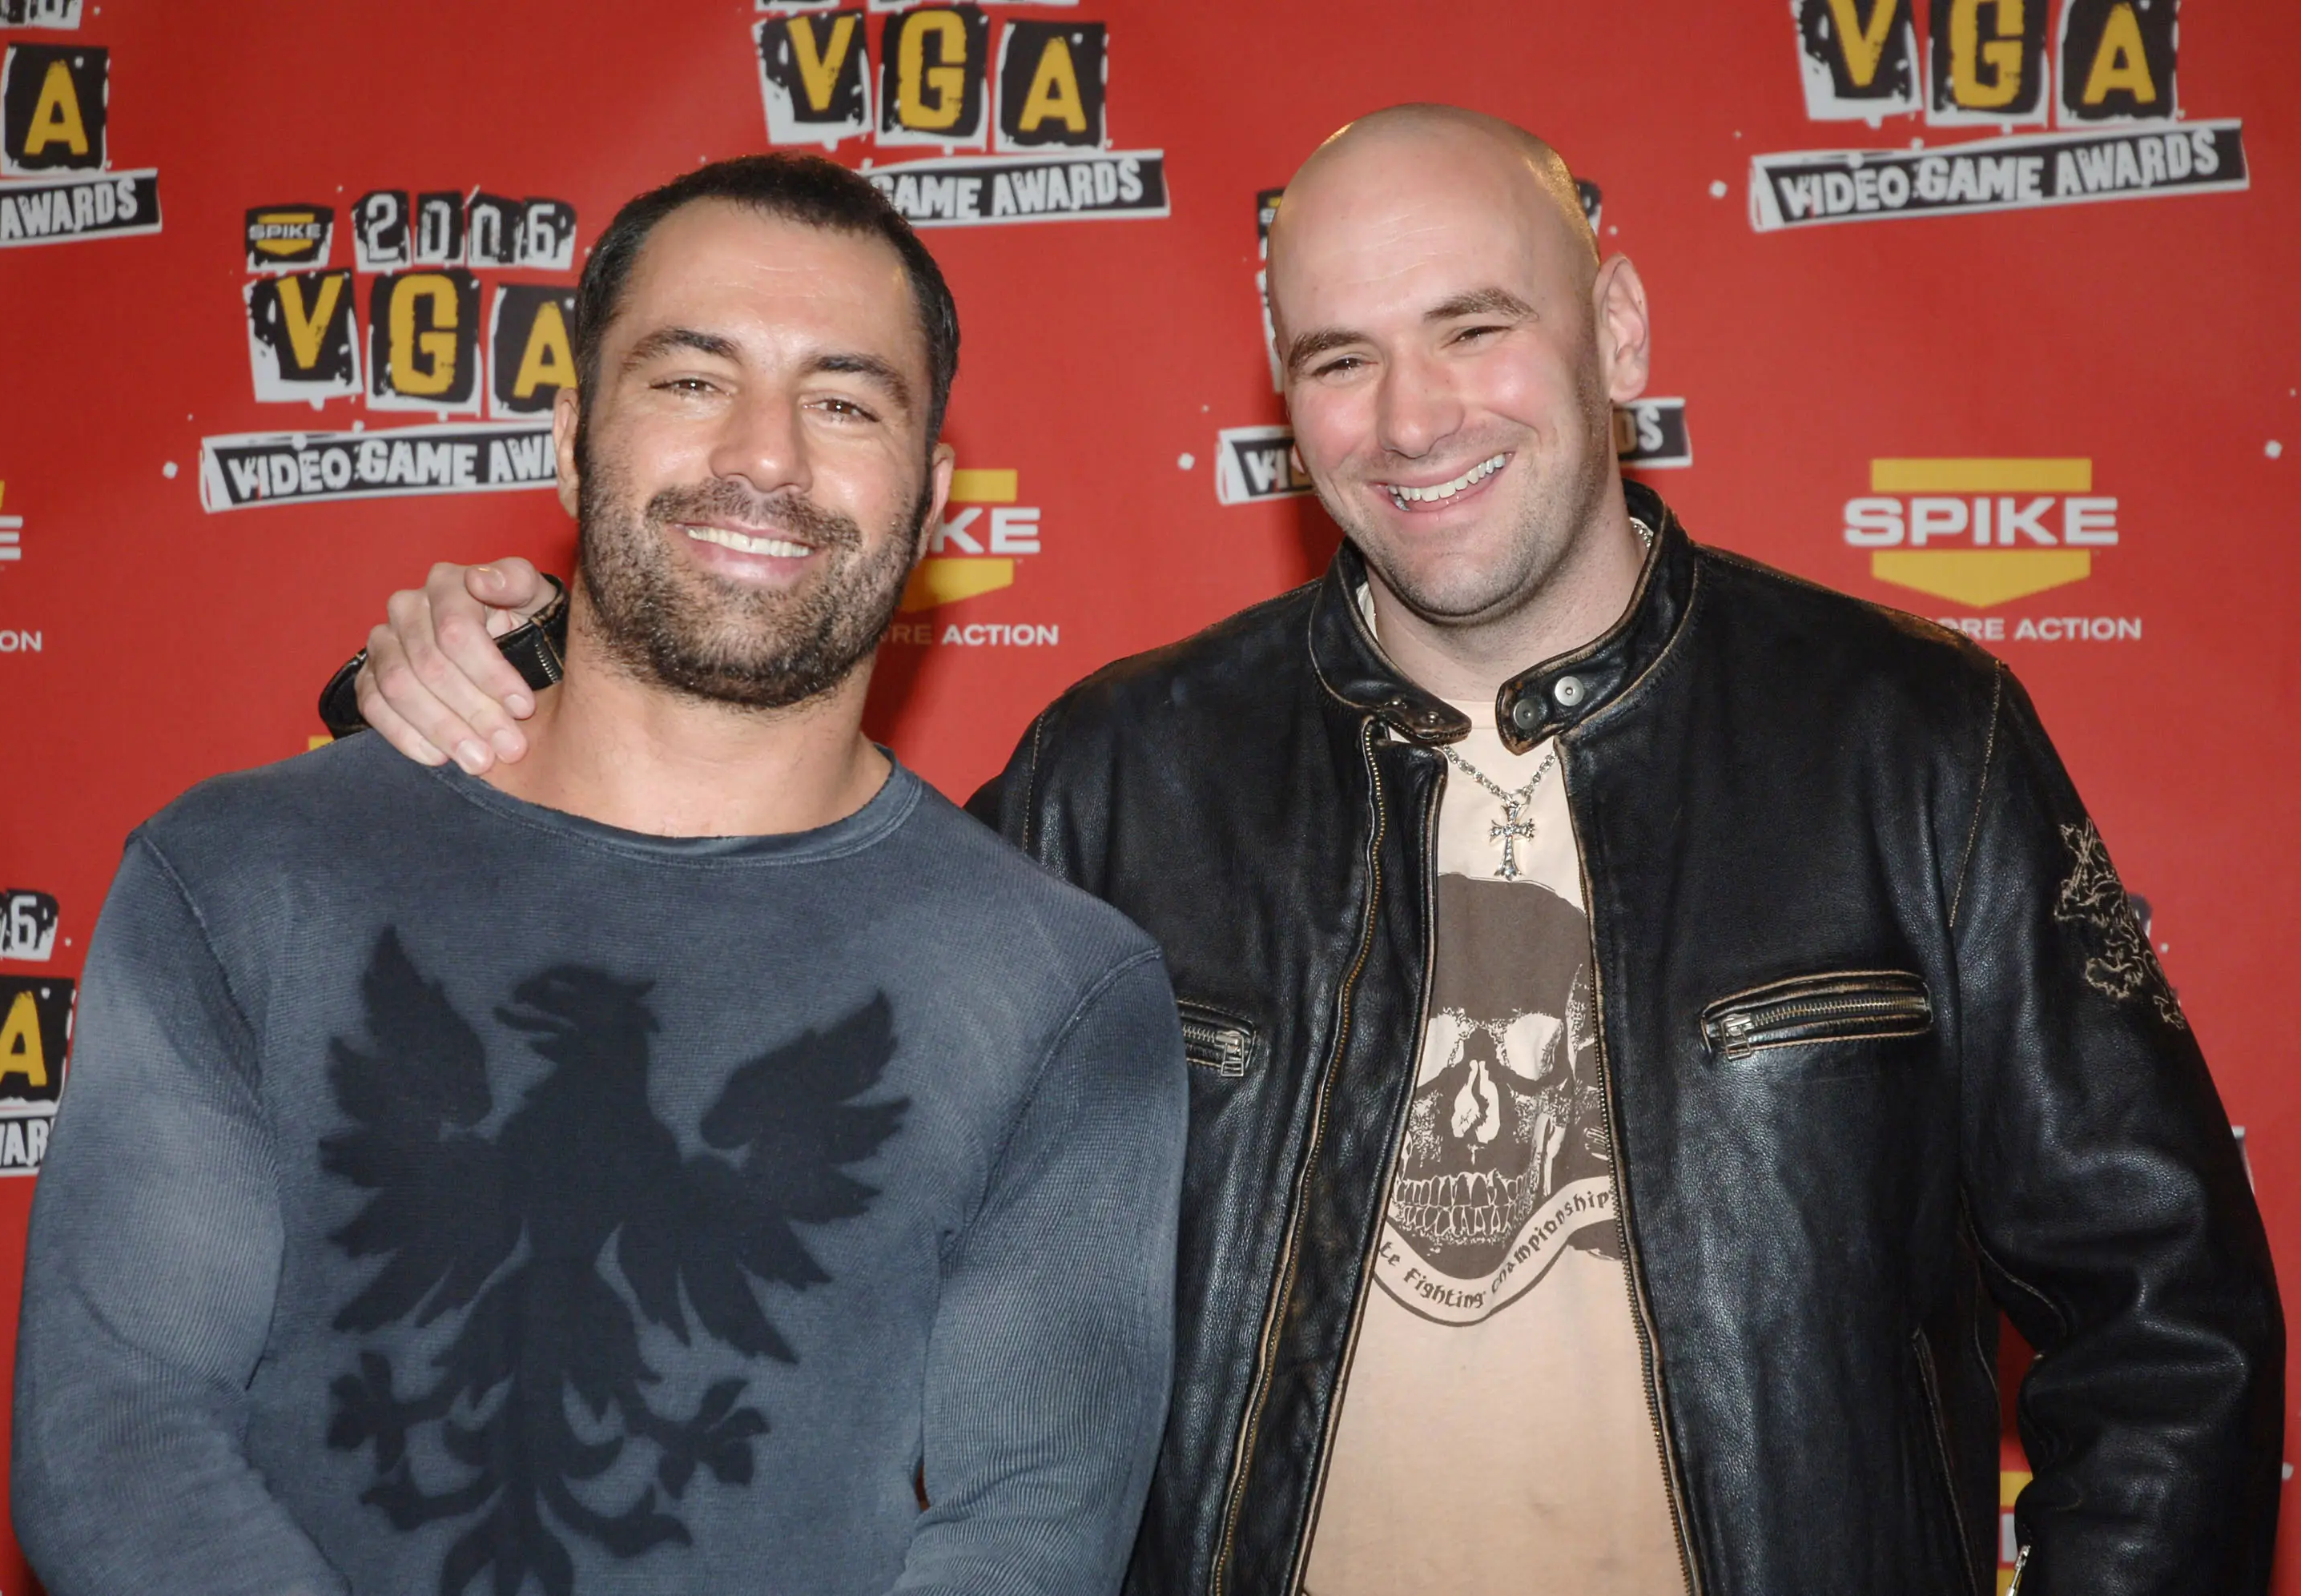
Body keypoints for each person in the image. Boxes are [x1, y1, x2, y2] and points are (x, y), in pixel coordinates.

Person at [321, 108, 2283, 1596]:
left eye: (1474, 327)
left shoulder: (1905, 738)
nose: (1411, 418)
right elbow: (758, 995)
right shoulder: (1127, 769)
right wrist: (498, 681)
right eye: (1338, 355)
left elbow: (2169, 1315)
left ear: (1611, 323)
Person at [12, 155, 1188, 1596]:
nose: (767, 457)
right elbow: (116, 1434)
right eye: (692, 381)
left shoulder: (1060, 990)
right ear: (571, 439)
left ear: (932, 494)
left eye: (842, 401)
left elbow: (1032, 1531)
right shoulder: (246, 880)